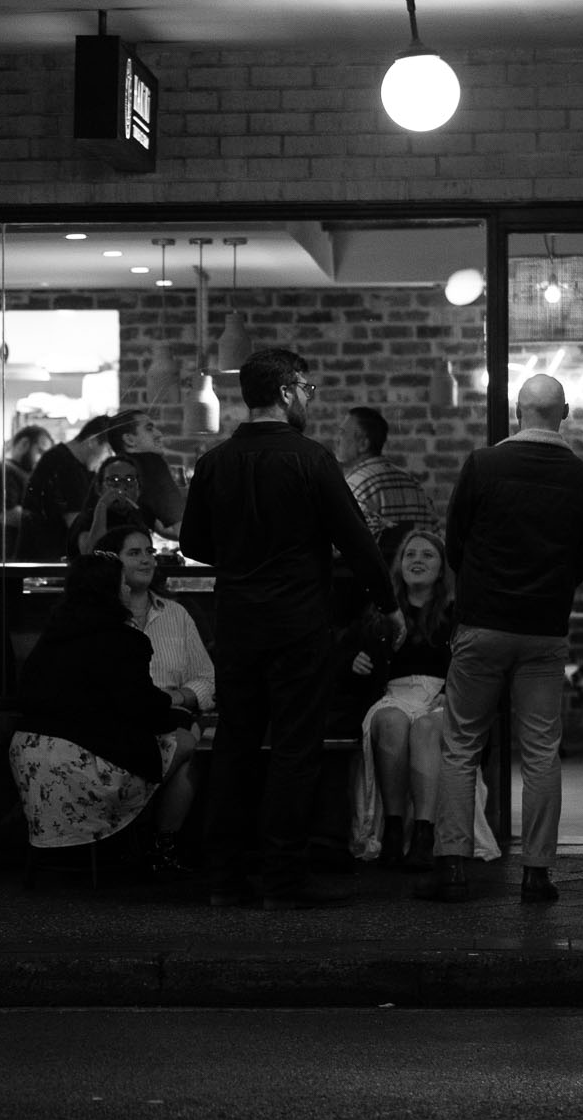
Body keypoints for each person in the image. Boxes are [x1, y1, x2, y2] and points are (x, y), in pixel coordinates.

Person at [180, 348, 400, 910]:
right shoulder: (312, 459)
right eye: (306, 388)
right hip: (299, 623)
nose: (308, 398)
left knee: (234, 743)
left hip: (237, 621)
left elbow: (193, 543)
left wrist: (242, 555)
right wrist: (388, 602)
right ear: (284, 392)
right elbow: (356, 539)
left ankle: (224, 878)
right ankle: (282, 879)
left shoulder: (214, 462)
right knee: (294, 749)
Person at [415, 375, 583, 906]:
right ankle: (537, 874)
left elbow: (454, 544)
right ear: (565, 411)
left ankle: (453, 869)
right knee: (541, 751)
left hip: (483, 623)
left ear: (518, 412)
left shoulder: (483, 465)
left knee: (461, 746)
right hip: (544, 629)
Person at [9, 552, 189, 860]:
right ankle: (162, 849)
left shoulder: (51, 636)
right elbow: (146, 710)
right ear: (109, 591)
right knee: (186, 740)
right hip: (85, 768)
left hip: (30, 763)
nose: (128, 589)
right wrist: (179, 709)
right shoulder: (125, 641)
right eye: (123, 583)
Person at [349, 527, 501, 872]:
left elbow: (476, 665)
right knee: (391, 722)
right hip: (395, 695)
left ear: (441, 568)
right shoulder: (381, 612)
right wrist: (354, 661)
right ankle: (392, 830)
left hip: (444, 697)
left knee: (426, 728)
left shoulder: (458, 613)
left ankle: (423, 834)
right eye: (410, 554)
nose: (417, 560)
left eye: (427, 555)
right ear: (399, 564)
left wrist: (452, 693)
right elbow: (351, 651)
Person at [96, 524, 211, 874]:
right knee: (186, 745)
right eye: (134, 553)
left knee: (189, 742)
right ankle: (152, 840)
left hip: (170, 715)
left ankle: (152, 842)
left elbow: (207, 678)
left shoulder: (176, 614)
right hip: (119, 723)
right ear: (113, 563)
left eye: (149, 551)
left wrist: (179, 696)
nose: (147, 560)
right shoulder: (102, 620)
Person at [341, 406, 437, 559]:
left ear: (364, 444)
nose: (337, 440)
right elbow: (436, 540)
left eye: (343, 433)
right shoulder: (414, 485)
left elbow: (343, 547)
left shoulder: (354, 486)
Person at [18, 415, 114, 561]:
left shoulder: (80, 467)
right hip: (44, 564)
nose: (108, 457)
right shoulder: (63, 464)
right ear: (93, 441)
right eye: (108, 450)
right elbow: (78, 528)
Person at [104, 407, 185, 537]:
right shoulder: (151, 463)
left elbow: (164, 528)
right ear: (129, 440)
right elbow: (183, 531)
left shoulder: (109, 467)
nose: (159, 434)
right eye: (149, 429)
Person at [0, 425, 52, 561]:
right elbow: (6, 514)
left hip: (15, 557)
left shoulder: (24, 472)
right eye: (40, 451)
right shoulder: (2, 470)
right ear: (24, 443)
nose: (42, 459)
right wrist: (48, 521)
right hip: (4, 558)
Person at [64, 454, 148, 557]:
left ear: (138, 489)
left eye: (129, 480)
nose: (122, 487)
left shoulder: (138, 519)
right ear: (99, 488)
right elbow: (92, 555)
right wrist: (102, 506)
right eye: (113, 480)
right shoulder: (87, 520)